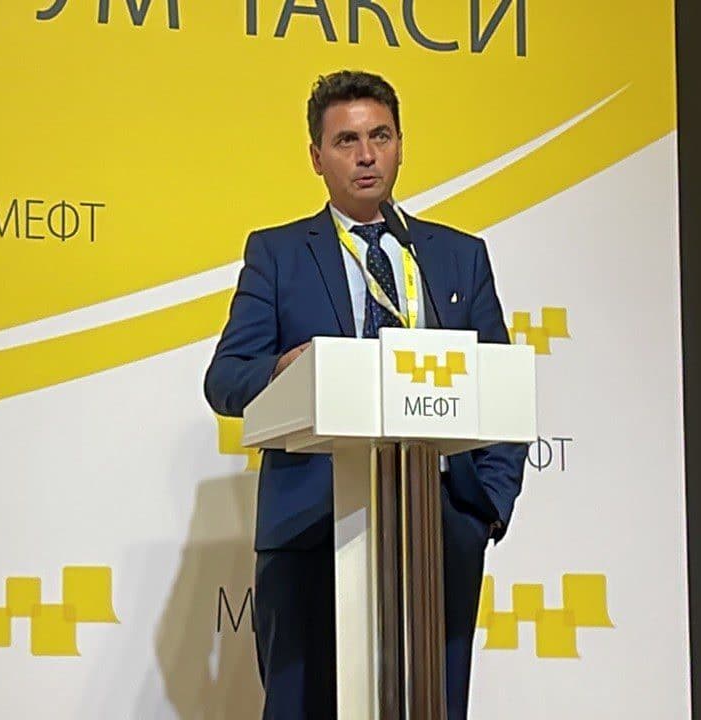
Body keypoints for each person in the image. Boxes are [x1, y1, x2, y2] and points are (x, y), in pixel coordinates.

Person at [203, 70, 528, 720]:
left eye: (380, 136)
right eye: (346, 141)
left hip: (438, 527)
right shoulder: (278, 254)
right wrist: (283, 369)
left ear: (401, 145)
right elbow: (225, 379)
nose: (366, 155)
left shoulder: (458, 257)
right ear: (317, 157)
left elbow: (500, 385)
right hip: (310, 523)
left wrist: (484, 509)